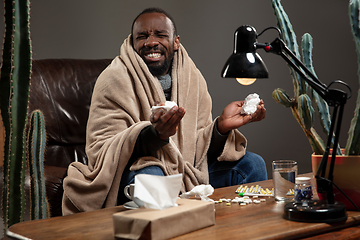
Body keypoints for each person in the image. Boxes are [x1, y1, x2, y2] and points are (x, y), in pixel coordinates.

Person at [62, 7, 267, 215]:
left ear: (176, 42)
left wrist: (221, 128)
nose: (151, 42)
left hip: (186, 174)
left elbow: (197, 151)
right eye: (142, 36)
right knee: (153, 176)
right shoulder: (114, 79)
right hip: (135, 175)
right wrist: (154, 134)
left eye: (160, 35)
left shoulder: (192, 78)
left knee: (252, 165)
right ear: (133, 43)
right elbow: (102, 151)